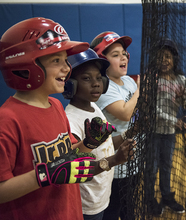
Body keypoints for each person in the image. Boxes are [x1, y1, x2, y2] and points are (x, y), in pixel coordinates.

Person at [0, 17, 116, 220]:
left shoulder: (55, 106)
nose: (67, 68)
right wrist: (45, 174)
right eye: (56, 61)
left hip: (68, 211)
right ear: (26, 64)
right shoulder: (8, 120)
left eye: (65, 60)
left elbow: (65, 158)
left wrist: (87, 144)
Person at [63, 48, 135, 220]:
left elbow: (106, 144)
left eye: (98, 78)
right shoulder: (71, 119)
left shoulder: (93, 107)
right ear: (69, 84)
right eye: (87, 78)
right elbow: (73, 161)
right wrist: (115, 160)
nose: (96, 83)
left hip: (101, 195)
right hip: (87, 205)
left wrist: (130, 133)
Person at [90, 31, 140, 220]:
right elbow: (126, 112)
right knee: (113, 211)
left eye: (124, 53)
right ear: (102, 62)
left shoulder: (127, 81)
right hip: (115, 164)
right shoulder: (104, 87)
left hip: (133, 158)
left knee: (131, 208)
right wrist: (141, 89)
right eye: (115, 54)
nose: (123, 57)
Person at [144, 38, 186, 216]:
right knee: (152, 167)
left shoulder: (180, 79)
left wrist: (184, 97)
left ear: (174, 59)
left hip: (169, 134)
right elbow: (153, 110)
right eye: (159, 57)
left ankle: (166, 196)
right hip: (153, 132)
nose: (163, 60)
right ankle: (149, 199)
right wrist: (174, 121)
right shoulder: (153, 79)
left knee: (166, 166)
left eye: (167, 57)